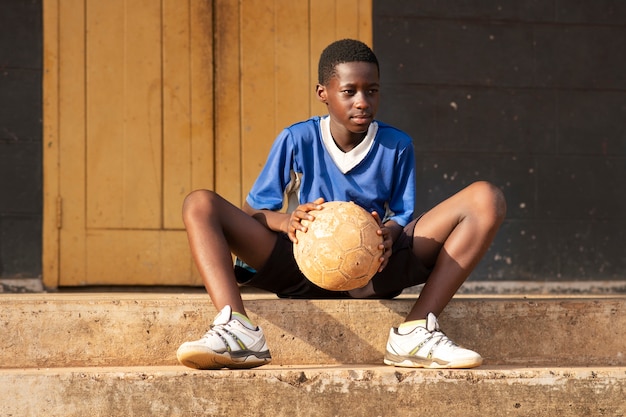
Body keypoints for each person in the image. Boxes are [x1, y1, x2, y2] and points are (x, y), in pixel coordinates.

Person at [176, 39, 506, 370]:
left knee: (485, 198)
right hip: (301, 266)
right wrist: (287, 221)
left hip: (374, 270)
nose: (363, 102)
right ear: (324, 93)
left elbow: (402, 213)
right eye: (350, 92)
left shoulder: (397, 145)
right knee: (199, 203)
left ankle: (415, 330)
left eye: (372, 91)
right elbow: (253, 214)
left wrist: (388, 233)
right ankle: (236, 328)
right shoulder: (297, 139)